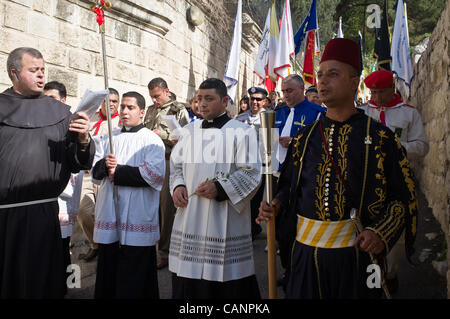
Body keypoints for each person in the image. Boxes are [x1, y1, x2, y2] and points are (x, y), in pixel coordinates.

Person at [257, 38, 418, 299]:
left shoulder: (381, 138)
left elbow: (402, 199)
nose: (322, 81)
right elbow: (289, 186)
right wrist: (275, 203)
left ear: (354, 82)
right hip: (305, 258)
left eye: (333, 74)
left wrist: (380, 232)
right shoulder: (304, 138)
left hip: (357, 260)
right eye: (320, 74)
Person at [0, 47, 94, 298]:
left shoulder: (60, 112)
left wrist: (84, 139)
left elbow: (77, 161)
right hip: (5, 217)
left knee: (42, 281)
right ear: (14, 73)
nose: (41, 75)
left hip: (43, 213)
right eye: (34, 70)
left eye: (43, 70)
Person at [169, 78, 261, 298]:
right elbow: (176, 167)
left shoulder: (242, 131)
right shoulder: (188, 131)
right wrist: (178, 186)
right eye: (199, 99)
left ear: (225, 101)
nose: (202, 104)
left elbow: (251, 172)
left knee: (224, 285)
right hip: (190, 215)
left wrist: (220, 189)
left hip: (223, 217)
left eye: (209, 99)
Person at [360, 69, 429, 292]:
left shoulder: (408, 114)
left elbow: (422, 146)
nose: (376, 98)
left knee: (396, 236)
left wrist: (397, 148)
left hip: (397, 180)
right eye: (373, 93)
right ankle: (371, 279)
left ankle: (390, 274)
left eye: (381, 92)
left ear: (392, 89)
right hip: (366, 183)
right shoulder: (362, 113)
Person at [92, 91, 165, 299]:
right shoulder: (108, 138)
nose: (124, 111)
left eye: (130, 107)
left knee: (135, 275)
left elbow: (155, 175)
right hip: (110, 212)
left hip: (137, 215)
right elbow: (95, 171)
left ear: (142, 112)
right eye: (122, 107)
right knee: (109, 270)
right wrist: (104, 166)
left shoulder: (151, 140)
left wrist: (119, 171)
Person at [144, 77, 190, 269]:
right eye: (152, 97)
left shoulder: (178, 110)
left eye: (157, 96)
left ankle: (164, 252)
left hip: (167, 161)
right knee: (149, 207)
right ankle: (148, 247)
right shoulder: (150, 110)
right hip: (149, 162)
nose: (154, 100)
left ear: (166, 91)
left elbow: (186, 137)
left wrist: (161, 135)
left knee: (166, 209)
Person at [44, 81, 83, 294]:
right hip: (45, 198)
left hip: (63, 195)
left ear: (64, 101)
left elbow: (77, 163)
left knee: (63, 247)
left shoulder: (71, 125)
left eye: (52, 99)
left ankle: (67, 287)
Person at [77, 88, 121, 262]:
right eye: (107, 100)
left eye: (114, 101)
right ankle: (95, 244)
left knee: (105, 213)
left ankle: (107, 245)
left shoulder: (121, 122)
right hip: (87, 173)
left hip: (105, 176)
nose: (111, 104)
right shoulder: (92, 118)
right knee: (83, 211)